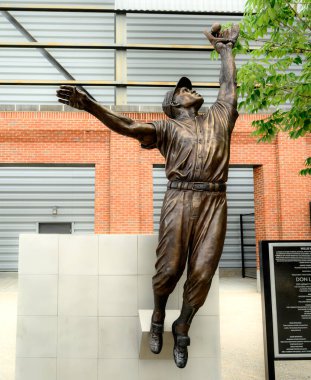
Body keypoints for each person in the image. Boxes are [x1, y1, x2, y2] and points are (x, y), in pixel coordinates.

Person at [56, 24, 239, 369]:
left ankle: (182, 326)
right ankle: (158, 315)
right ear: (173, 103)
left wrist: (226, 50)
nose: (191, 89)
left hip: (216, 202)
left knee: (202, 273)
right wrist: (90, 105)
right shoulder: (166, 128)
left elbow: (228, 86)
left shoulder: (219, 117)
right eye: (184, 89)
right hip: (180, 199)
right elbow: (126, 126)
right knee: (169, 269)